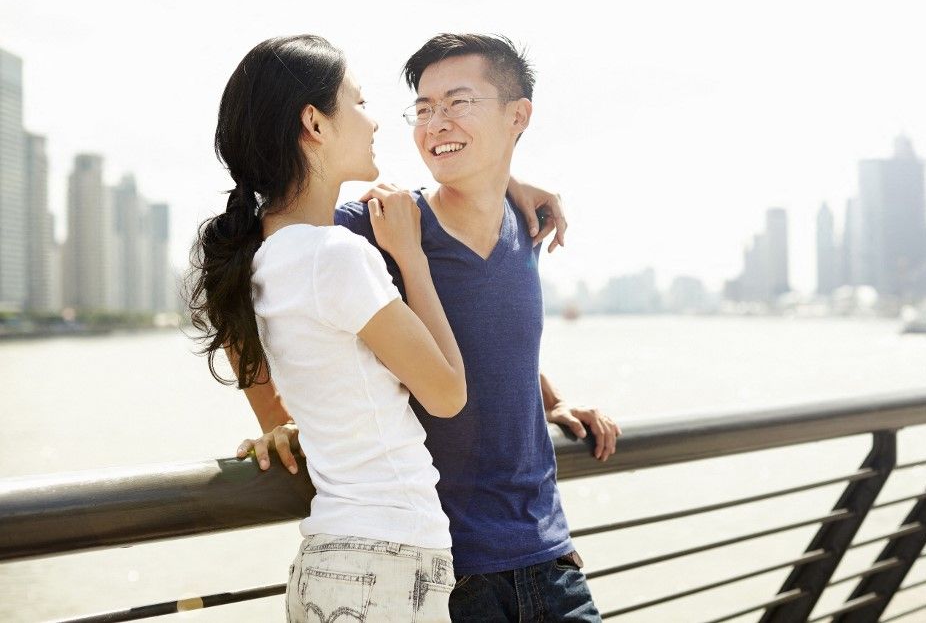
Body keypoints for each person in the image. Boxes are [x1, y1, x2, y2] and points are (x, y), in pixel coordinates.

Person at [241, 34, 622, 622]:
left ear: (518, 115)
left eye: (457, 103)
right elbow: (247, 289)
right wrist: (276, 419)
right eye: (422, 108)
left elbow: (494, 337)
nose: (434, 122)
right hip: (442, 575)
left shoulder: (526, 223)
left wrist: (554, 399)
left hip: (550, 558)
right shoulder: (377, 227)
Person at [189, 35, 470, 622]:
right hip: (387, 563)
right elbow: (446, 393)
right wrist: (410, 257)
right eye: (360, 102)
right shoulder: (333, 256)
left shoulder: (262, 257)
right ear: (314, 122)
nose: (373, 122)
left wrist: (275, 422)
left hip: (333, 565)